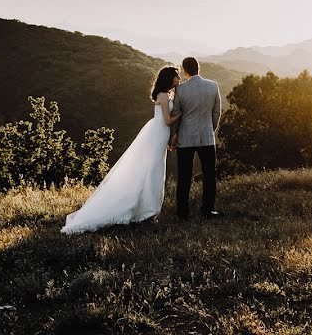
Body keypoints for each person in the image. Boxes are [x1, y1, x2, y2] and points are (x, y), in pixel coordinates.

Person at [61, 66, 182, 234]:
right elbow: (168, 120)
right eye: (177, 76)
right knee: (152, 170)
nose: (179, 79)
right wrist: (181, 114)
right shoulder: (162, 96)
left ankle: (148, 209)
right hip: (158, 133)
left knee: (154, 169)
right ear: (169, 78)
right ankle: (146, 211)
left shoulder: (168, 95)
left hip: (160, 133)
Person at [169, 57, 222, 220]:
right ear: (198, 68)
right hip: (207, 137)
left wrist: (174, 135)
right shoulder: (213, 86)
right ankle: (207, 210)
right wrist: (210, 129)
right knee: (209, 176)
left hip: (185, 138)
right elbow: (216, 113)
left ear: (185, 71)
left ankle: (183, 212)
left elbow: (175, 114)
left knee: (184, 176)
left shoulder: (181, 90)